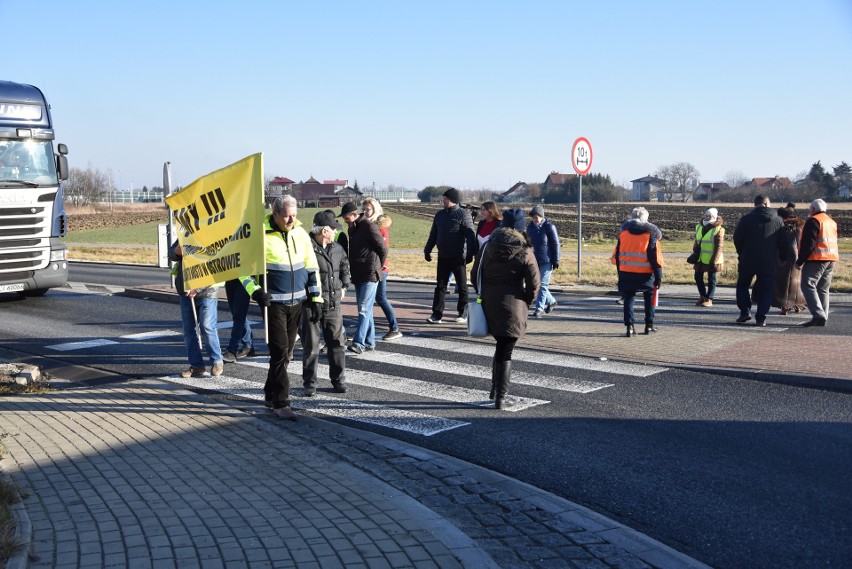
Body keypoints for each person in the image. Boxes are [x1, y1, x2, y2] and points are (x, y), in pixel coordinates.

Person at [241, 195, 323, 420]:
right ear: (275, 214)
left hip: (297, 303)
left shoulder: (301, 233)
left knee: (285, 354)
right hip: (274, 304)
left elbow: (311, 267)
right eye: (286, 215)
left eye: (294, 215)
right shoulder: (259, 236)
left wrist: (315, 299)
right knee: (279, 353)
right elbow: (243, 271)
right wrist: (255, 292)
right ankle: (281, 403)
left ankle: (269, 393)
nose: (291, 219)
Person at [471, 208, 540, 409]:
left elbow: (475, 275)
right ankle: (501, 396)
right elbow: (534, 283)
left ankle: (494, 390)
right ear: (520, 228)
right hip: (514, 303)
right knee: (505, 350)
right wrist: (527, 301)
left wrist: (482, 293)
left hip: (490, 302)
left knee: (500, 347)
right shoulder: (525, 250)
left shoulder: (487, 247)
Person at [301, 210, 351, 395]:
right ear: (323, 231)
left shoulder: (337, 248)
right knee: (312, 346)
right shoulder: (305, 248)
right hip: (311, 306)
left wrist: (344, 286)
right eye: (333, 229)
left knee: (337, 343)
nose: (336, 232)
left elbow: (345, 266)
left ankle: (338, 380)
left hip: (333, 305)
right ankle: (310, 384)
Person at [169, 242, 224, 378]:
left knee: (207, 326)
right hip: (186, 291)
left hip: (208, 291)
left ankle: (217, 361)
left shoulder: (210, 233)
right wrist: (176, 252)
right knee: (189, 330)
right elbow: (171, 254)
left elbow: (216, 264)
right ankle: (196, 365)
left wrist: (198, 288)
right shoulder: (185, 232)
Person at [340, 201, 387, 355]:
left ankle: (359, 343)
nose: (345, 220)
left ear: (354, 215)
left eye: (346, 217)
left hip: (370, 273)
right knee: (366, 310)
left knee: (364, 309)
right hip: (358, 273)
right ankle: (370, 342)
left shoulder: (368, 225)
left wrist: (377, 265)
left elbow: (383, 248)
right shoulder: (352, 228)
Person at [424, 187, 477, 324]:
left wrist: (470, 253)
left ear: (453, 200)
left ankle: (462, 313)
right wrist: (427, 249)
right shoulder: (440, 215)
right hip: (443, 256)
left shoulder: (463, 214)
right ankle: (436, 314)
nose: (443, 201)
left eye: (446, 199)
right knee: (440, 286)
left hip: (458, 257)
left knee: (462, 286)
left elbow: (471, 236)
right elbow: (433, 234)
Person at [732, 194, 786, 326]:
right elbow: (783, 242)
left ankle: (745, 312)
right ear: (767, 204)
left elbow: (737, 238)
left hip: (748, 259)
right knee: (766, 289)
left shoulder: (746, 219)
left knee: (743, 285)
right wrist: (783, 257)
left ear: (754, 204)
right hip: (768, 261)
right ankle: (761, 317)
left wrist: (741, 253)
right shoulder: (778, 220)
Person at [611, 207, 664, 336]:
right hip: (646, 274)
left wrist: (620, 273)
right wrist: (658, 276)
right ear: (646, 220)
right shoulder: (650, 234)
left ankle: (629, 327)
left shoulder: (623, 234)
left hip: (626, 272)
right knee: (649, 297)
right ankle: (648, 325)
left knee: (629, 298)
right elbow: (654, 257)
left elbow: (618, 256)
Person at [362, 197, 402, 341]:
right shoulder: (366, 224)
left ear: (374, 210)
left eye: (368, 209)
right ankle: (367, 331)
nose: (365, 211)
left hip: (380, 268)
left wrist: (381, 264)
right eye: (364, 209)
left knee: (380, 298)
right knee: (374, 299)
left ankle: (394, 328)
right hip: (371, 267)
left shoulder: (380, 227)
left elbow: (382, 248)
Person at [796, 199, 839, 327]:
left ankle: (818, 315)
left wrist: (800, 261)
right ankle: (823, 316)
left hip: (817, 258)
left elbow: (809, 244)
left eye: (810, 209)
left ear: (813, 209)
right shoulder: (831, 222)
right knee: (823, 288)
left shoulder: (814, 221)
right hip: (831, 258)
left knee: (807, 284)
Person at [772, 204, 806, 315]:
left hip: (784, 258)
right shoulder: (800, 227)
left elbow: (781, 244)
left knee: (784, 284)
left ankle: (784, 307)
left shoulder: (782, 227)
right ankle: (798, 305)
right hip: (799, 258)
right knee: (797, 283)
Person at [527, 205, 560, 317]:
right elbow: (528, 243)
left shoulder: (549, 227)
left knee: (543, 285)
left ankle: (539, 309)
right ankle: (551, 301)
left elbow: (555, 244)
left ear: (542, 216)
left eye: (537, 216)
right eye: (533, 216)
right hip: (534, 260)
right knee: (537, 284)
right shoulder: (530, 228)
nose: (535, 218)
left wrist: (556, 260)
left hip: (547, 260)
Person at [691, 208, 725, 307]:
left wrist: (713, 260)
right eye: (706, 215)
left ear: (714, 217)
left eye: (709, 216)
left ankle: (709, 299)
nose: (706, 217)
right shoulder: (699, 227)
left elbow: (719, 247)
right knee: (697, 277)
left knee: (712, 279)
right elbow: (697, 241)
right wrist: (695, 251)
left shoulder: (719, 229)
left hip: (713, 259)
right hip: (700, 258)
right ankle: (702, 296)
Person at [222, 278, 254, 362]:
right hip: (230, 277)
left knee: (239, 315)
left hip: (244, 279)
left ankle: (232, 350)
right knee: (237, 314)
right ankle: (248, 345)